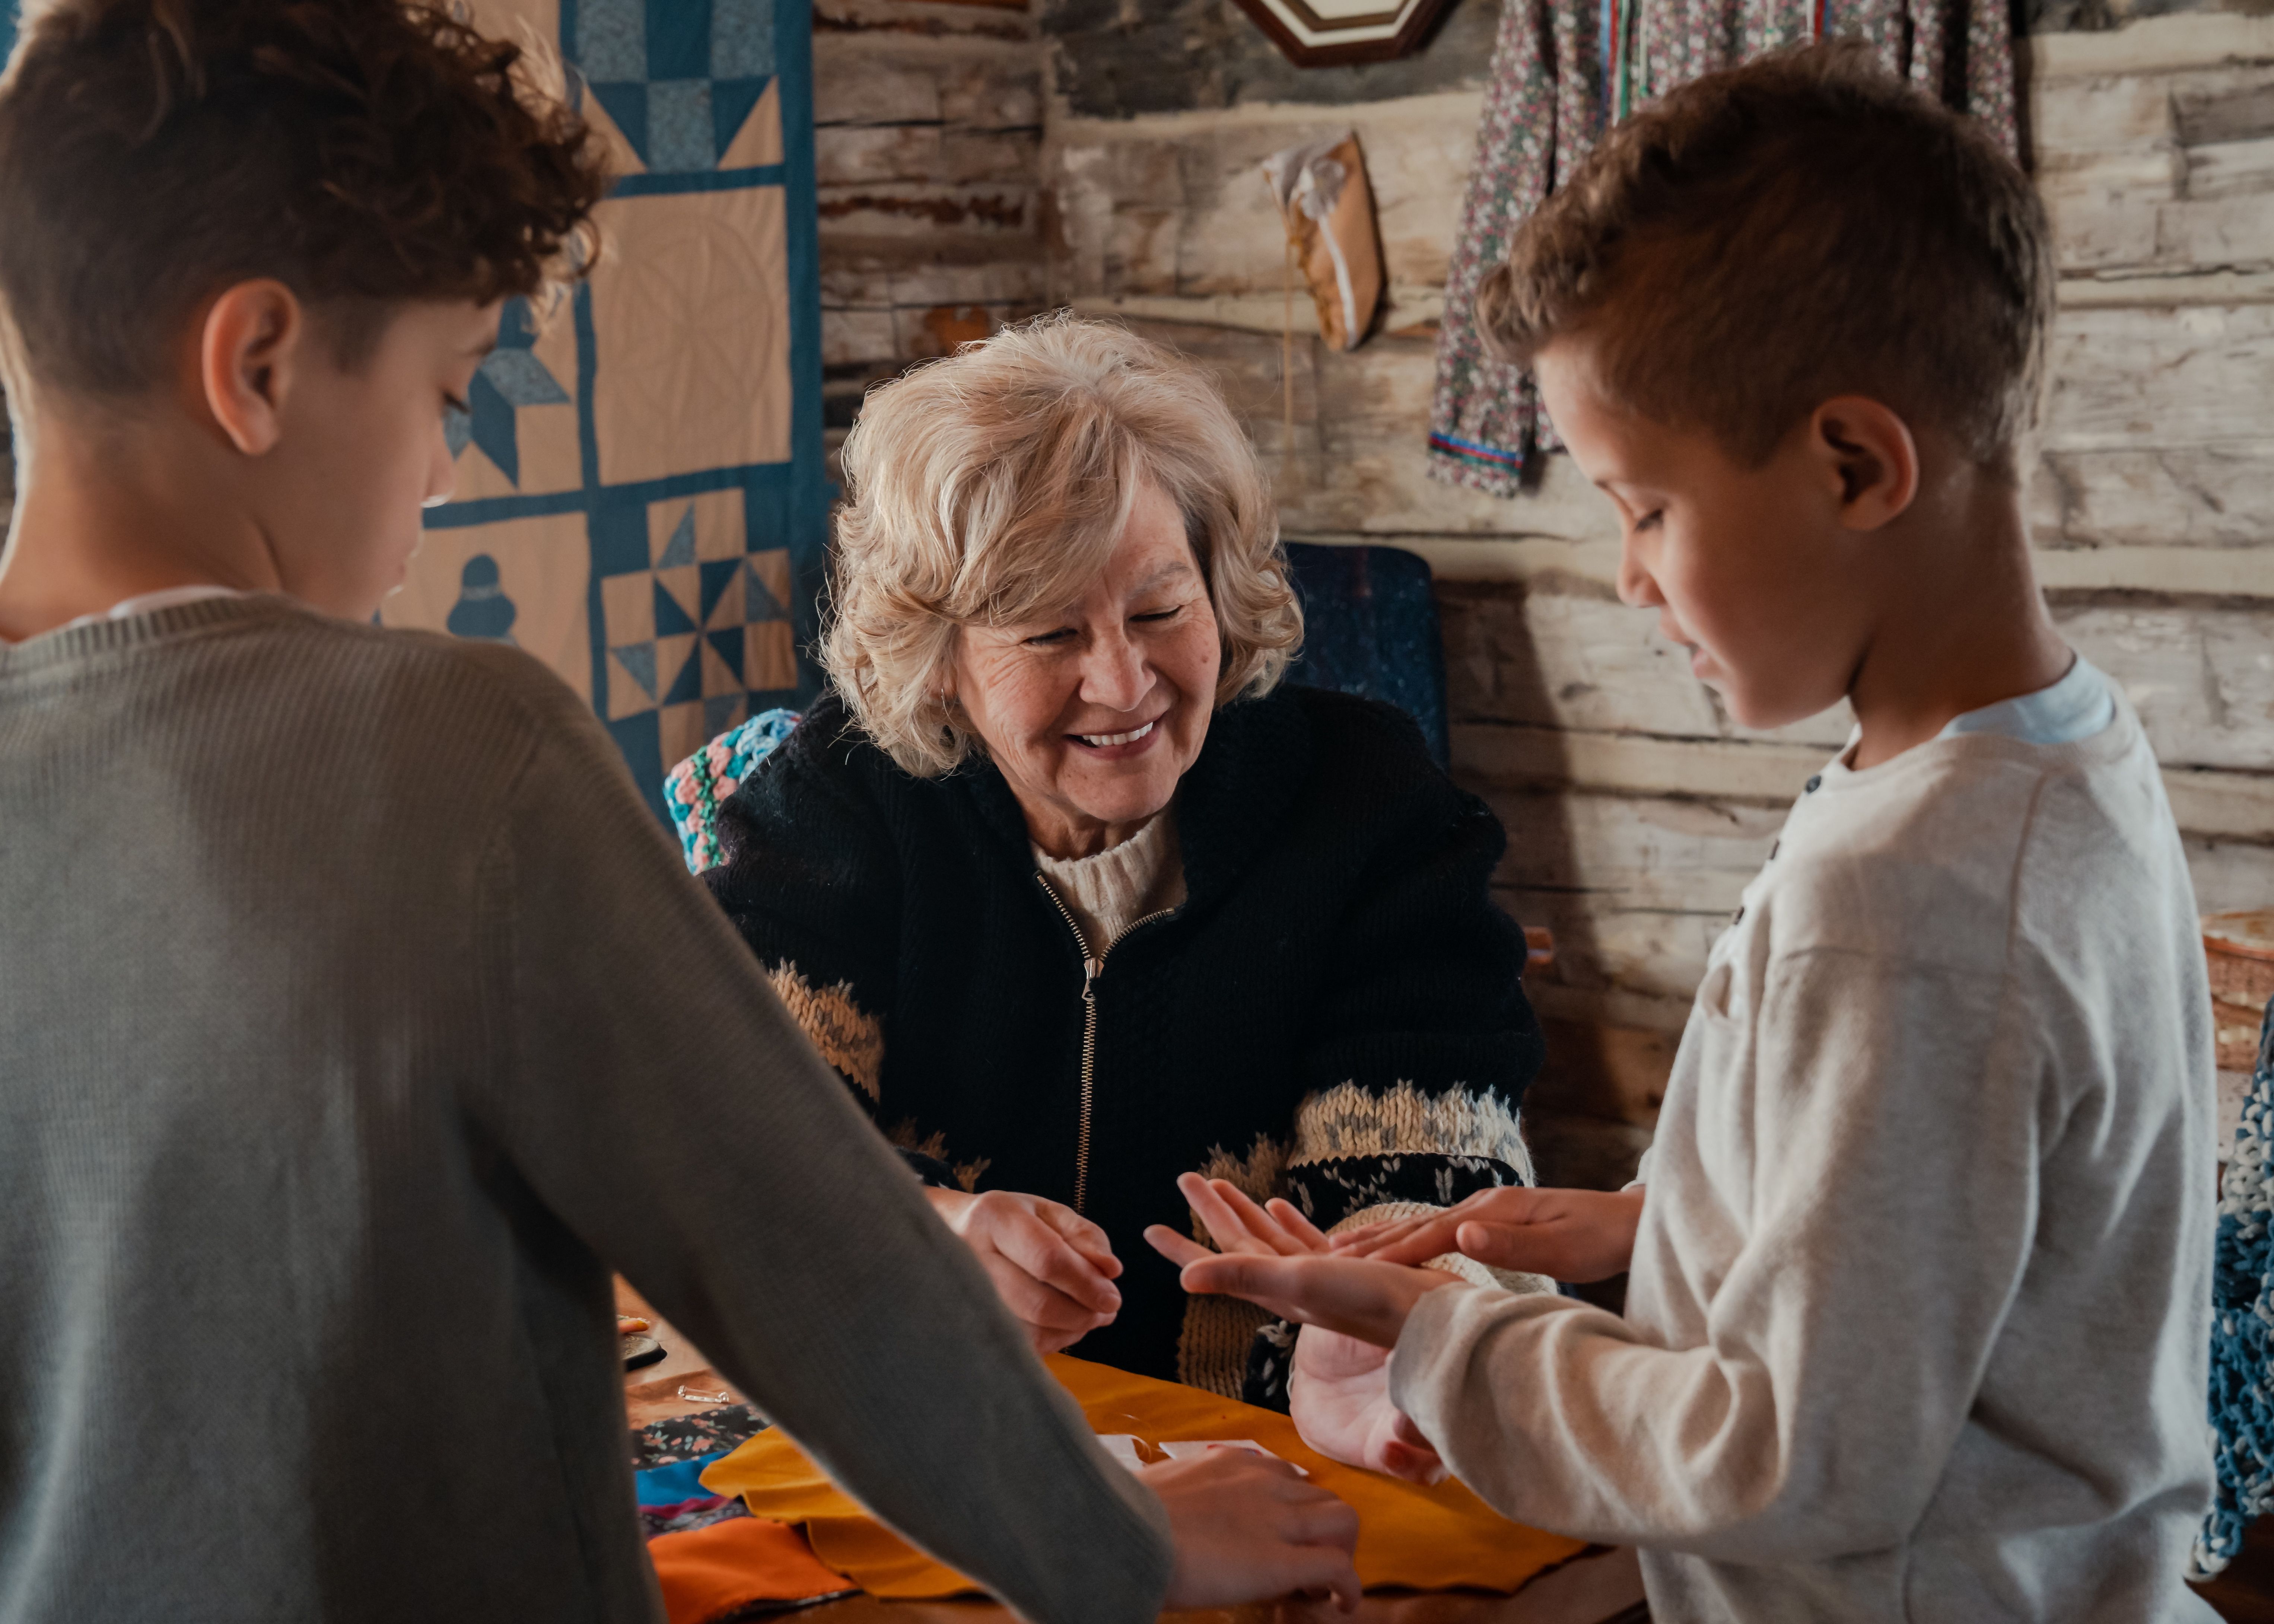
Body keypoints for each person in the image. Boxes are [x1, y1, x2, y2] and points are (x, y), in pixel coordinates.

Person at [0, 3, 1362, 1618]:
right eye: (450, 391)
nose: (441, 474)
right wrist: (1123, 1540)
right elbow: (806, 1256)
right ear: (261, 363)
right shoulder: (458, 750)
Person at [1148, 42, 2220, 1624]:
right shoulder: (2068, 760)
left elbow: (1794, 1452)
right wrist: (1646, 1220)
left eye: (1646, 505)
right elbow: (1965, 1205)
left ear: (1855, 465)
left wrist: (1443, 1336)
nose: (1632, 578)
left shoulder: (1904, 896)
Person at [694, 313, 1553, 1407]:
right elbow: (735, 1138)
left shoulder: (1366, 806)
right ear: (940, 657)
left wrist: (1384, 1334)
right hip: (939, 1428)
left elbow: (1434, 1175)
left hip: (1276, 1442)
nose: (1124, 680)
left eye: (1160, 607)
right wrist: (931, 1236)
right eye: (1050, 634)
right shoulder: (840, 802)